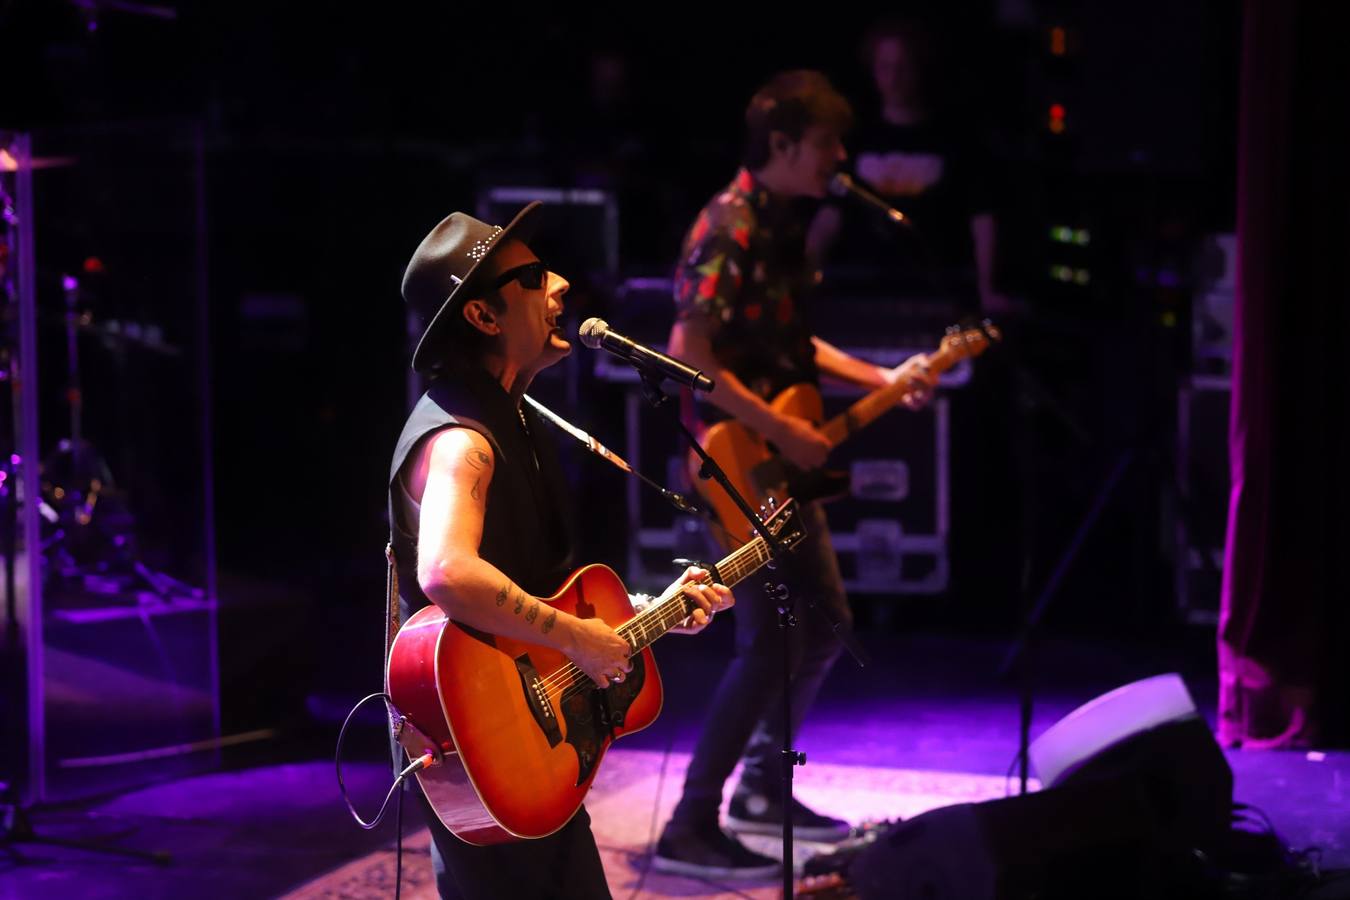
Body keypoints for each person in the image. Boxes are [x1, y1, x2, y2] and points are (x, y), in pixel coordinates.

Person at [389, 202, 734, 899]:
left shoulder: (512, 413)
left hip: (525, 739)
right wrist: (580, 636)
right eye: (534, 276)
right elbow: (447, 571)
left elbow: (529, 587)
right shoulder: (463, 439)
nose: (562, 288)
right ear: (484, 318)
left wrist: (647, 612)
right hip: (478, 737)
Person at [652, 71, 936, 880]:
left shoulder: (781, 229)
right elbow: (689, 354)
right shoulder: (727, 226)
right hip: (736, 462)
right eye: (827, 145)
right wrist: (785, 429)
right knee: (773, 636)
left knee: (822, 622)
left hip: (779, 461)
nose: (840, 159)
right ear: (781, 145)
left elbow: (793, 350)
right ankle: (690, 822)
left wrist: (881, 379)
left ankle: (763, 792)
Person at [808, 17, 1012, 315]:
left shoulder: (956, 140)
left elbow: (982, 221)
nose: (894, 78)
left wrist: (987, 288)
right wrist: (802, 279)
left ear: (920, 69)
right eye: (885, 67)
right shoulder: (857, 139)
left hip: (940, 290)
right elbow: (828, 219)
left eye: (903, 67)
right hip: (863, 290)